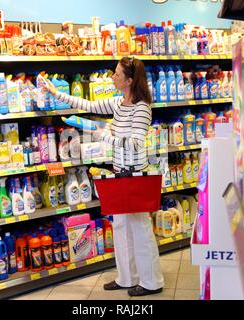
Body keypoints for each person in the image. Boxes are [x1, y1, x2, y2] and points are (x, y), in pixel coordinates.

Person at [40, 56, 164, 297]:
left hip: (136, 175)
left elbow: (137, 144)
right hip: (119, 173)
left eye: (117, 74)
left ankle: (152, 282)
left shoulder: (141, 108)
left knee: (140, 229)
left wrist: (103, 136)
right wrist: (56, 93)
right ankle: (127, 278)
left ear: (129, 80)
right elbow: (88, 104)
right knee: (119, 227)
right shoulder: (119, 103)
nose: (112, 77)